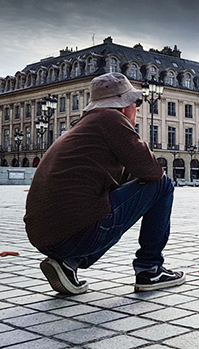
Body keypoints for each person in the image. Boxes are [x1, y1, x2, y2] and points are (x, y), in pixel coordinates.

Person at [24, 72, 185, 295]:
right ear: (124, 105)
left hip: (46, 237)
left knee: (105, 207)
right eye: (135, 103)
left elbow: (125, 180)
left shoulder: (85, 125)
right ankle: (150, 269)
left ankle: (67, 264)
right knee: (164, 186)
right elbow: (153, 173)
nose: (137, 108)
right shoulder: (111, 119)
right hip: (74, 233)